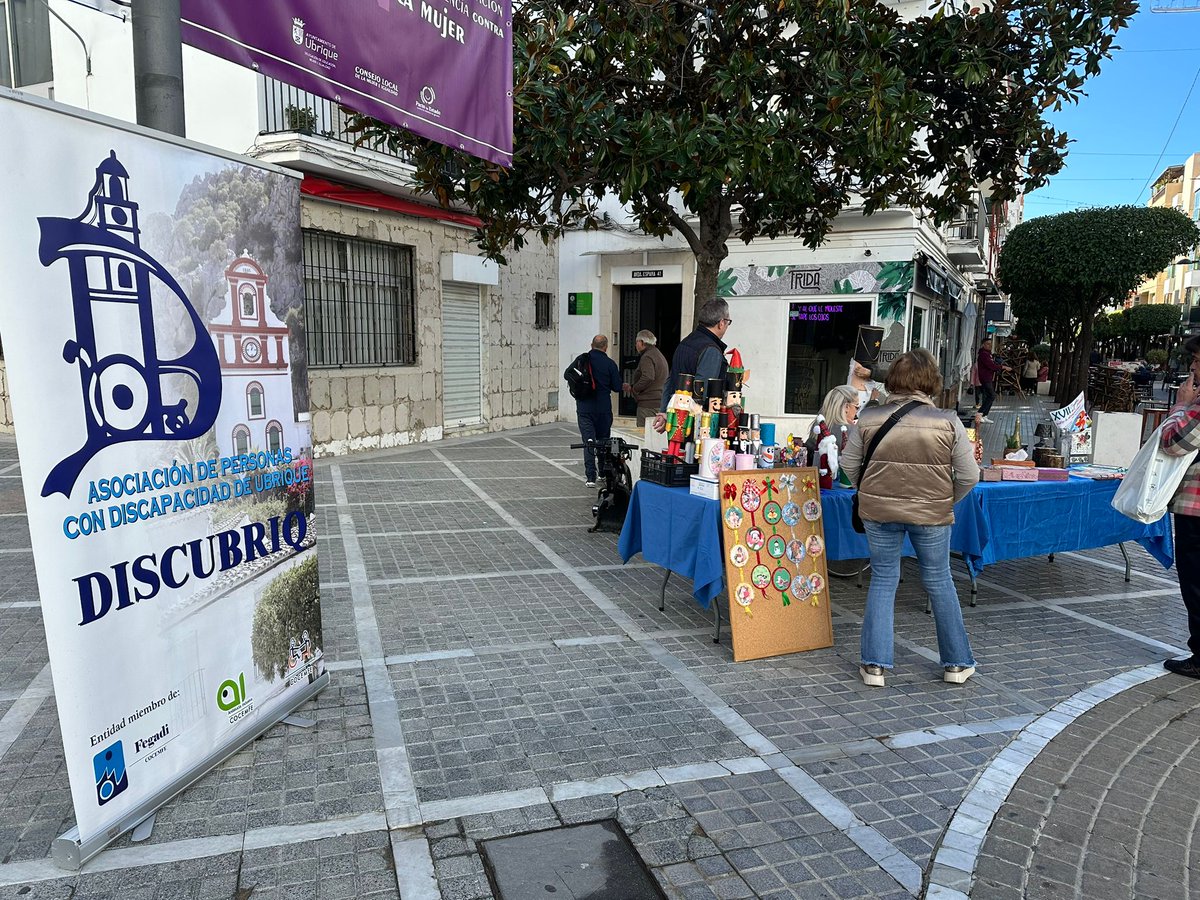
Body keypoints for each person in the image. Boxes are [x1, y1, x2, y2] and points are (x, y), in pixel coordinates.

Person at [841, 349, 980, 688]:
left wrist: (870, 489)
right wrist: (945, 498)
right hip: (931, 513)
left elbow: (847, 465)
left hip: (879, 512)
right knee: (939, 580)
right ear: (930, 382)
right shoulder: (948, 421)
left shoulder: (869, 418)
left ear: (894, 381)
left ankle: (874, 666)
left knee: (884, 579)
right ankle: (957, 664)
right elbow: (969, 475)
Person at [1160, 335, 1200, 678]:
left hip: (1196, 508)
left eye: (1198, 361)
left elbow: (1175, 442)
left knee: (1196, 580)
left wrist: (1181, 406)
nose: (1193, 368)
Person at [654, 298, 732, 433]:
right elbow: (701, 392)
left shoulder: (685, 342)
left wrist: (665, 413)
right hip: (698, 426)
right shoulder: (711, 350)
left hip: (676, 421)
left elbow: (670, 380)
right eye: (728, 322)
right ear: (721, 323)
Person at [574, 335, 622, 487]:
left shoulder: (582, 360)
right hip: (603, 408)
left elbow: (569, 375)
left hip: (584, 408)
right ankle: (602, 472)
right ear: (606, 347)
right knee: (602, 441)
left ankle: (590, 477)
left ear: (591, 345)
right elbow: (617, 387)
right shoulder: (610, 364)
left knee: (589, 441)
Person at [623, 330, 669, 427]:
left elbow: (648, 377)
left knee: (643, 436)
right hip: (659, 401)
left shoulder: (647, 357)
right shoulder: (658, 354)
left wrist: (634, 388)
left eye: (636, 342)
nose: (636, 345)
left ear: (642, 342)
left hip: (648, 404)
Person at [819, 385, 860, 487]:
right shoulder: (849, 430)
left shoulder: (818, 425)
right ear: (846, 407)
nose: (857, 413)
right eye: (857, 407)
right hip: (841, 485)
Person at [975, 338, 1009, 423]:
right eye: (987, 344)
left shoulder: (988, 354)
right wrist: (1003, 367)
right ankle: (980, 413)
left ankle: (984, 415)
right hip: (985, 378)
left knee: (988, 396)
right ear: (983, 345)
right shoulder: (983, 354)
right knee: (992, 395)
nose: (989, 346)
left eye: (990, 344)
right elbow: (991, 366)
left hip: (988, 377)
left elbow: (992, 364)